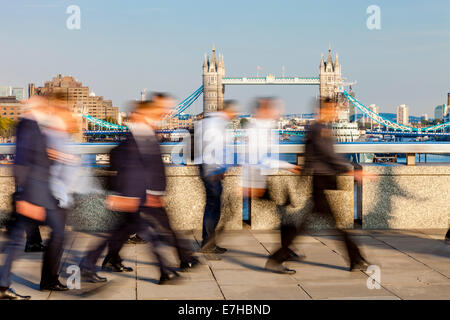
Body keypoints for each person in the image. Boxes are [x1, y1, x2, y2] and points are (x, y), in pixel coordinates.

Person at [80, 95, 197, 285]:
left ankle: (90, 262)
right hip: (135, 196)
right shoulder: (135, 138)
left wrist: (155, 192)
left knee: (122, 231)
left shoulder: (146, 135)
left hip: (140, 195)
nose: (155, 117)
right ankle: (165, 270)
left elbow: (147, 168)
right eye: (151, 113)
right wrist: (129, 196)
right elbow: (132, 169)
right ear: (139, 115)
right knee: (149, 234)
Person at [267, 97, 374, 273]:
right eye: (332, 110)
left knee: (314, 224)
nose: (335, 113)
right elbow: (328, 156)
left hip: (320, 181)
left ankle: (355, 259)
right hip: (320, 181)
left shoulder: (320, 128)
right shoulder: (318, 130)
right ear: (323, 110)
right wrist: (352, 170)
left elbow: (312, 156)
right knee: (332, 226)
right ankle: (356, 259)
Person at [0, 93, 74, 300]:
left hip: (39, 192)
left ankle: (4, 284)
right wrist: (24, 196)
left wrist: (58, 156)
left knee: (15, 239)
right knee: (51, 233)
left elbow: (37, 158)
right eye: (43, 107)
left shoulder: (33, 127)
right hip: (33, 194)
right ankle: (5, 285)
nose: (47, 110)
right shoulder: (28, 126)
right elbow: (22, 162)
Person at [239, 98, 301, 274]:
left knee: (286, 217)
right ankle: (277, 258)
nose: (277, 112)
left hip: (265, 178)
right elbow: (255, 159)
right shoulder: (256, 130)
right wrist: (289, 166)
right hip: (258, 179)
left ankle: (285, 251)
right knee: (289, 220)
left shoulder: (266, 127)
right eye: (272, 109)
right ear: (263, 110)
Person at [195, 101, 238, 259]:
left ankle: (208, 241)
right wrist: (218, 169)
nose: (236, 115)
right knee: (213, 206)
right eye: (234, 112)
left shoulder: (206, 121)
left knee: (212, 205)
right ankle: (208, 244)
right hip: (211, 169)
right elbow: (215, 148)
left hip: (209, 167)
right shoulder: (216, 124)